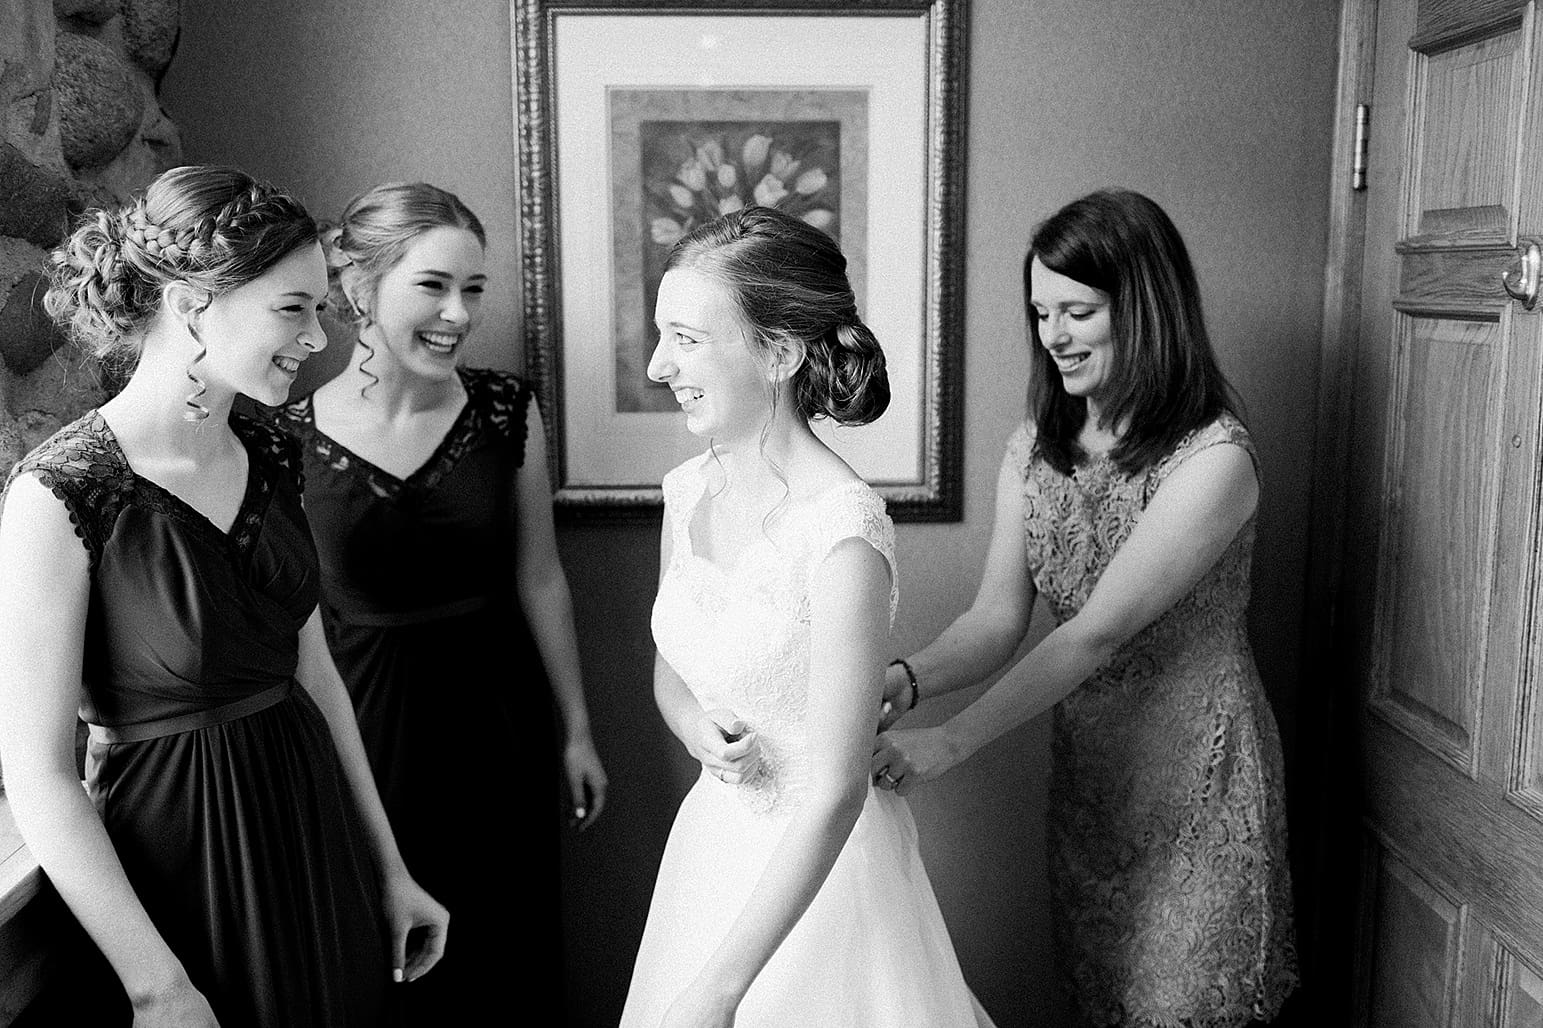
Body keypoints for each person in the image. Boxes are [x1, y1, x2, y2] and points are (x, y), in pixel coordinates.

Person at [0, 165, 448, 1028]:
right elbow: (40, 776)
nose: (319, 339)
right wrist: (155, 986)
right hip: (180, 874)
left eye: (322, 308)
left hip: (315, 839)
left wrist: (387, 869)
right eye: (293, 308)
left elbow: (315, 672)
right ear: (192, 303)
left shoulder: (272, 450)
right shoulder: (60, 494)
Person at [870, 188, 1299, 1027]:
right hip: (1095, 785)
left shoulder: (1213, 460)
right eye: (1039, 312)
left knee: (1183, 1007)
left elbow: (1095, 633)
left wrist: (949, 742)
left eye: (1078, 311)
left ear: (1143, 308)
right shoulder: (1035, 447)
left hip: (1196, 786)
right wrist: (905, 679)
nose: (1053, 336)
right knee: (1105, 1002)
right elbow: (996, 619)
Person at [619, 204, 994, 1028]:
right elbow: (672, 663)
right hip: (711, 855)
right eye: (661, 336)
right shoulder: (686, 492)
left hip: (826, 879)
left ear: (779, 351)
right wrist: (691, 726)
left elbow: (833, 788)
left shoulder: (843, 530)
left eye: (685, 339)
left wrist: (721, 991)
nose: (656, 366)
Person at [273, 181, 607, 1020]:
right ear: (359, 288)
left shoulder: (506, 411)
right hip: (359, 737)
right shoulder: (280, 436)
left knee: (505, 965)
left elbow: (542, 578)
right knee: (382, 972)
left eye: (473, 290)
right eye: (433, 286)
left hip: (500, 731)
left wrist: (574, 729)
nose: (458, 313)